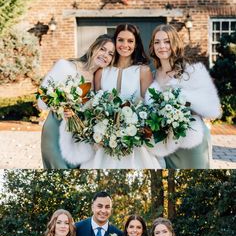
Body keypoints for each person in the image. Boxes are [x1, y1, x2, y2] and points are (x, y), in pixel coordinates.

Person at [80, 23, 165, 169]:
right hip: (104, 141)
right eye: (120, 40)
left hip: (134, 142)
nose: (125, 45)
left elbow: (150, 108)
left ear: (136, 44)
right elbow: (93, 106)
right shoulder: (101, 72)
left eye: (130, 41)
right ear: (115, 41)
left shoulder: (143, 71)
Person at [146, 24, 221, 169]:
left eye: (167, 41)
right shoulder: (152, 76)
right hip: (166, 143)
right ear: (153, 47)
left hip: (192, 140)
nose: (162, 46)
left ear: (174, 44)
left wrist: (180, 110)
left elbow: (211, 109)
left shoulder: (190, 72)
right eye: (157, 42)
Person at [38, 34, 115, 169]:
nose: (105, 55)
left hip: (80, 139)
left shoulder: (101, 79)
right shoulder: (65, 66)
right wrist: (62, 105)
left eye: (110, 54)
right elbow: (41, 102)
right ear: (93, 48)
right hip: (56, 129)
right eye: (102, 49)